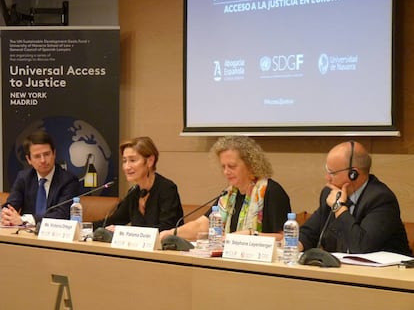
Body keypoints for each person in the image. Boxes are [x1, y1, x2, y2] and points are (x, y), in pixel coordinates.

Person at [159, 136, 291, 242]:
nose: (226, 172)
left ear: (251, 165)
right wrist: (170, 233)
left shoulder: (271, 192)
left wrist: (251, 235)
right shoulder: (228, 195)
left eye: (232, 166)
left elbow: (287, 239)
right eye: (223, 167)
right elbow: (201, 225)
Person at [299, 141, 411, 256]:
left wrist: (338, 208)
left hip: (388, 272)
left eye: (332, 173)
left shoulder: (381, 199)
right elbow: (309, 233)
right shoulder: (331, 193)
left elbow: (360, 247)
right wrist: (295, 245)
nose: (327, 178)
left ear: (353, 174)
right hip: (343, 271)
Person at [93, 136, 184, 232]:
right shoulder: (133, 192)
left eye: (132, 160)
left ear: (150, 161)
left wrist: (125, 231)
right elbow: (113, 221)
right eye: (124, 161)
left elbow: (166, 228)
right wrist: (83, 227)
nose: (127, 167)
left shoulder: (167, 189)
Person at [1, 130, 79, 226]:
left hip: (54, 236)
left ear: (54, 154)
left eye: (46, 154)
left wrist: (25, 220)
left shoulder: (68, 180)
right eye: (37, 156)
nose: (43, 160)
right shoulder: (24, 178)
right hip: (25, 235)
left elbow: (61, 214)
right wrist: (6, 216)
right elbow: (11, 206)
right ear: (29, 159)